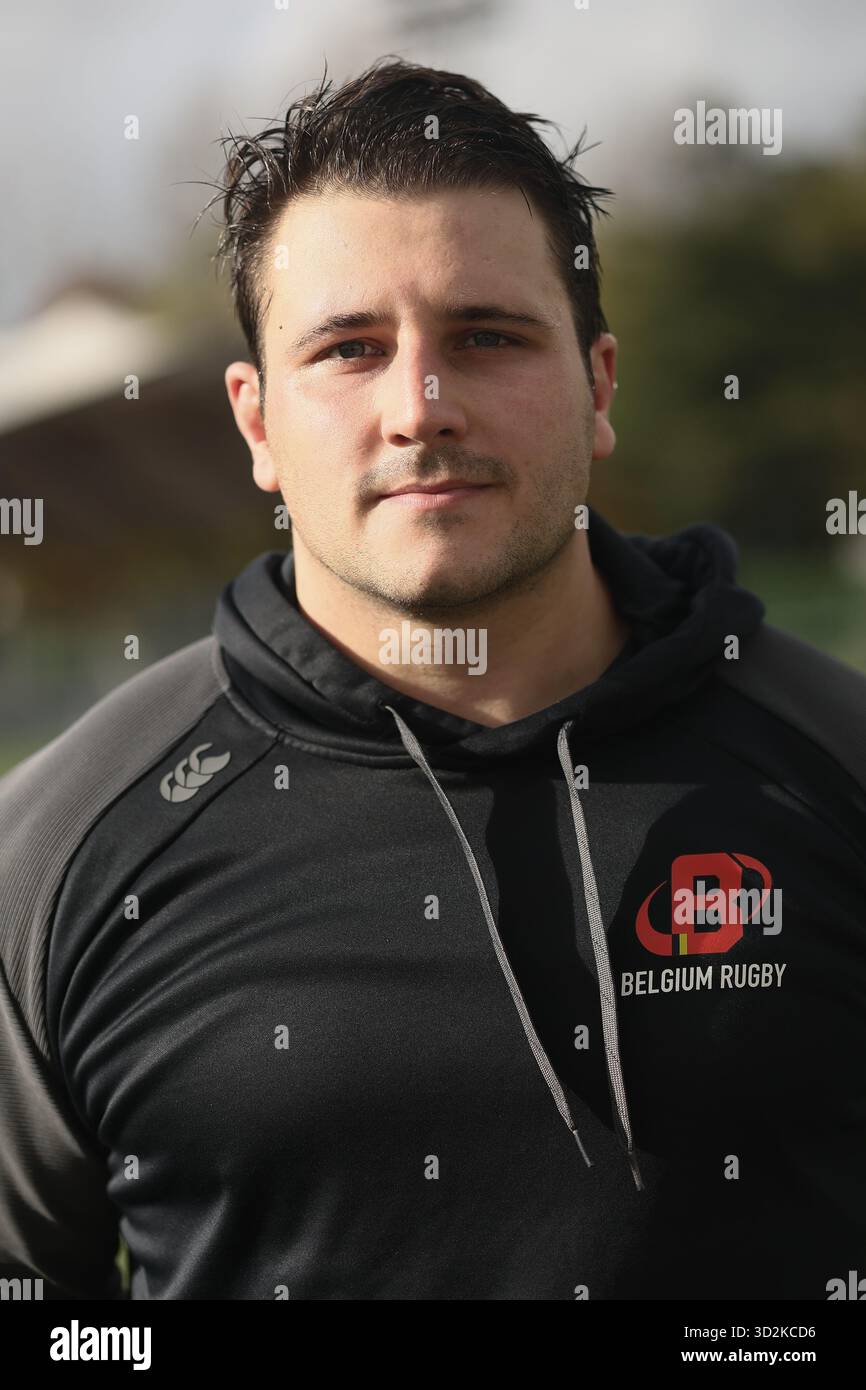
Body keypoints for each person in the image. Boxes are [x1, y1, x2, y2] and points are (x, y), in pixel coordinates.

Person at [1, 57, 864, 1302]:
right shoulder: (58, 853)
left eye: (486, 336)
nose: (420, 406)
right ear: (255, 424)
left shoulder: (831, 763)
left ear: (598, 385)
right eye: (350, 348)